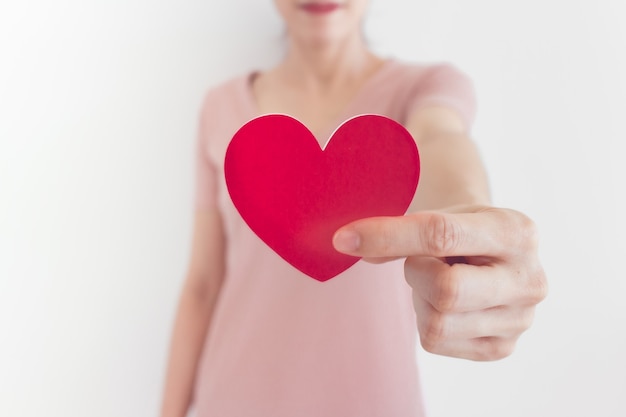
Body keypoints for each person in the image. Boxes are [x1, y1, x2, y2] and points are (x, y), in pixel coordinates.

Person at [160, 1, 547, 416]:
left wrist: (468, 217)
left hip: (375, 401)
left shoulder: (424, 87)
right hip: (233, 399)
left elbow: (439, 138)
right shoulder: (220, 107)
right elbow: (203, 284)